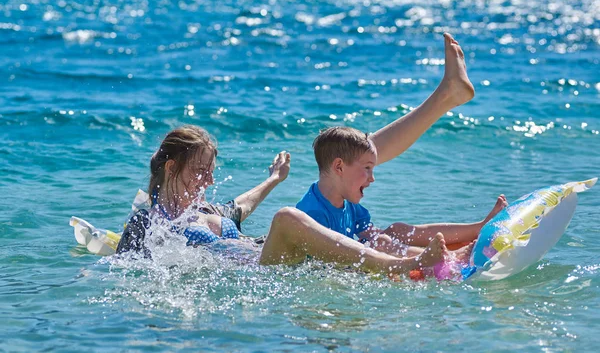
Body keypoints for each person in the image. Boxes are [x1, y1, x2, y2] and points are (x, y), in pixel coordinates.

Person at [118, 32, 480, 277]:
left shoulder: (207, 211)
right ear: (170, 167)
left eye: (211, 171)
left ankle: (443, 98)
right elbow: (125, 269)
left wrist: (274, 179)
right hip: (257, 269)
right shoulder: (149, 225)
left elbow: (241, 205)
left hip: (267, 251)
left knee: (352, 159)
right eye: (199, 171)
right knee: (289, 217)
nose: (209, 180)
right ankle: (400, 266)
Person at [295, 126, 507, 262]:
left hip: (349, 252)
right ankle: (448, 257)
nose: (372, 178)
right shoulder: (312, 213)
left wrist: (385, 240)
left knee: (396, 230)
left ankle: (477, 228)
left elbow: (369, 235)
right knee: (381, 244)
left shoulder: (346, 201)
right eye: (367, 168)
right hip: (334, 262)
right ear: (339, 167)